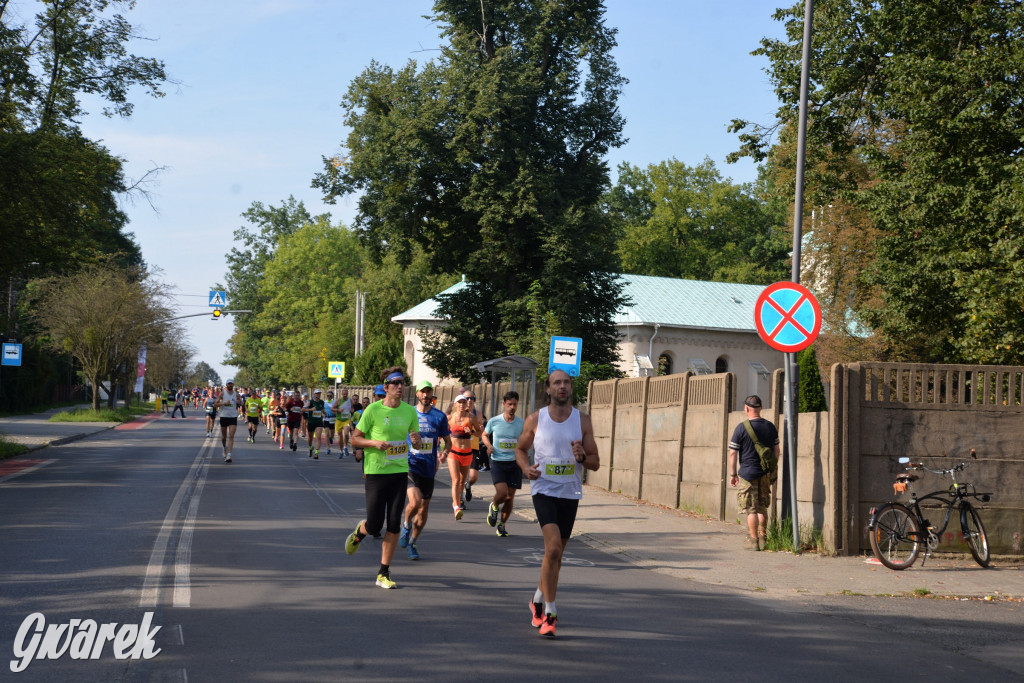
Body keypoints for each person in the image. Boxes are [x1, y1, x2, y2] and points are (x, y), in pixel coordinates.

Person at [515, 369, 600, 638]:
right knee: (552, 548)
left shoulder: (582, 421)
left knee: (556, 555)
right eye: (557, 383)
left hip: (569, 492)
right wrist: (526, 468)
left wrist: (582, 456)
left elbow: (595, 462)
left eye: (566, 382)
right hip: (543, 490)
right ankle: (550, 613)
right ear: (548, 389)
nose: (562, 386)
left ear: (571, 388)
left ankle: (537, 598)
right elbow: (519, 450)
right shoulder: (535, 419)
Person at [345, 367, 422, 589]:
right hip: (376, 472)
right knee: (375, 523)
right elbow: (355, 439)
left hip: (399, 471)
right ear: (386, 387)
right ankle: (360, 532)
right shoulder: (372, 411)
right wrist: (374, 443)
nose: (400, 387)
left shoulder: (409, 411)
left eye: (402, 383)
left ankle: (384, 572)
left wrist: (416, 440)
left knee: (394, 523)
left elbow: (415, 442)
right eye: (395, 383)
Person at [399, 380, 452, 560]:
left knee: (423, 509)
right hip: (410, 464)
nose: (426, 395)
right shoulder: (408, 413)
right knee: (415, 502)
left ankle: (413, 542)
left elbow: (448, 441)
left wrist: (444, 453)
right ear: (418, 394)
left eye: (429, 392)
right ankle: (406, 526)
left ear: (432, 395)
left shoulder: (439, 416)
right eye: (423, 392)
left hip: (429, 468)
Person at [728, 395, 780, 552]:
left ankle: (754, 541)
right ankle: (764, 538)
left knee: (751, 508)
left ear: (746, 408)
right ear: (761, 408)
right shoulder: (770, 426)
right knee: (763, 507)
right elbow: (777, 451)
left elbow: (733, 453)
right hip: (764, 473)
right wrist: (771, 469)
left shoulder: (741, 428)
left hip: (747, 474)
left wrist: (733, 474)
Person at [481, 390, 525, 537]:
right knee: (502, 493)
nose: (512, 407)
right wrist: (488, 445)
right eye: (509, 404)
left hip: (514, 463)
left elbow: (526, 440)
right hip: (498, 461)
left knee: (509, 497)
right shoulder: (494, 421)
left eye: (514, 404)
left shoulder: (521, 423)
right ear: (504, 404)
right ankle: (494, 506)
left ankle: (502, 525)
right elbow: (484, 435)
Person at [447, 394, 482, 519]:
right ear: (455, 405)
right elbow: (443, 433)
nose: (462, 404)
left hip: (467, 453)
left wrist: (472, 432)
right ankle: (456, 506)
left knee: (462, 481)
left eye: (463, 402)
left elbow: (480, 432)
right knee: (455, 480)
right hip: (453, 453)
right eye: (459, 402)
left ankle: (457, 499)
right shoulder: (450, 418)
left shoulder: (471, 418)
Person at [215, 380, 243, 462]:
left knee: (231, 435)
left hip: (233, 416)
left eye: (231, 384)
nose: (230, 385)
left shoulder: (236, 394)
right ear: (226, 385)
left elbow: (241, 403)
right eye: (229, 384)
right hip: (223, 416)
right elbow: (215, 404)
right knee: (224, 437)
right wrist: (223, 403)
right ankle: (224, 448)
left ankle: (229, 455)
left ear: (233, 385)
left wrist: (238, 402)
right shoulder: (222, 393)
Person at [303, 388, 326, 459]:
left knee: (318, 437)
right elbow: (302, 409)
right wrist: (311, 409)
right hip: (311, 422)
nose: (318, 395)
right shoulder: (310, 402)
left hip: (319, 422)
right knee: (310, 438)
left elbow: (322, 409)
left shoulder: (322, 402)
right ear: (314, 394)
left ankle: (316, 453)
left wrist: (324, 412)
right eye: (317, 393)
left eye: (319, 393)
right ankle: (310, 447)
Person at [332, 387, 353, 458]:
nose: (345, 395)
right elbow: (332, 409)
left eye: (346, 394)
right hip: (339, 420)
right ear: (342, 394)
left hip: (346, 419)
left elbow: (352, 408)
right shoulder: (338, 400)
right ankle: (341, 451)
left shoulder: (350, 400)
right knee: (340, 437)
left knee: (346, 434)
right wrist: (338, 410)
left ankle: (345, 447)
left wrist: (352, 410)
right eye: (344, 394)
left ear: (348, 394)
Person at [323, 390, 337, 457]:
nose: (329, 397)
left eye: (330, 396)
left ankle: (331, 438)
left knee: (332, 433)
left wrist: (335, 412)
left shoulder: (335, 402)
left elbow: (337, 410)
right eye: (328, 396)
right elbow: (322, 410)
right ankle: (328, 448)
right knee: (327, 434)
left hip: (332, 419)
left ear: (332, 396)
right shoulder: (324, 402)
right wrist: (323, 414)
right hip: (326, 419)